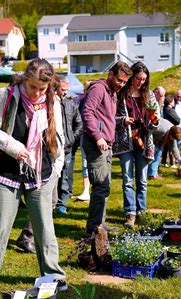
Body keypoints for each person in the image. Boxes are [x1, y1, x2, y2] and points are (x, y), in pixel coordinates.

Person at [0, 58, 67, 295]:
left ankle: (53, 275)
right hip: (7, 172)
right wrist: (14, 147)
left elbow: (60, 140)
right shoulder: (5, 96)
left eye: (42, 89)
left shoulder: (53, 101)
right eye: (33, 87)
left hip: (41, 175)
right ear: (25, 79)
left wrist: (55, 172)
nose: (36, 93)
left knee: (45, 229)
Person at [82, 61, 132, 236]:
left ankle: (100, 225)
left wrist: (119, 122)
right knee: (100, 187)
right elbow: (87, 112)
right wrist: (98, 136)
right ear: (111, 74)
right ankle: (94, 230)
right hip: (96, 145)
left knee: (105, 186)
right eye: (119, 80)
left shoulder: (113, 93)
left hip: (107, 145)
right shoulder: (99, 89)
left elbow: (106, 118)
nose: (121, 84)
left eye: (124, 82)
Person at [113, 61, 159, 228]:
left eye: (144, 79)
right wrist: (123, 120)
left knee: (142, 179)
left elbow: (156, 120)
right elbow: (112, 117)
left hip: (144, 140)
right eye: (139, 78)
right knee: (127, 178)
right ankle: (130, 212)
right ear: (132, 77)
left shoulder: (150, 95)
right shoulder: (121, 95)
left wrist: (154, 121)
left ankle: (142, 210)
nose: (141, 82)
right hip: (126, 140)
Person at [54, 76, 83, 215]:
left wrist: (72, 138)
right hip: (53, 147)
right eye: (62, 89)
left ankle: (62, 203)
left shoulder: (71, 104)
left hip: (68, 147)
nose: (65, 92)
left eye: (66, 90)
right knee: (54, 175)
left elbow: (79, 123)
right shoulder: (51, 104)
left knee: (66, 174)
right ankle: (52, 201)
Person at [161, 95, 181, 168]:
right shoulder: (169, 110)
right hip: (170, 131)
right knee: (173, 147)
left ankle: (164, 162)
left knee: (165, 147)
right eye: (173, 101)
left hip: (165, 130)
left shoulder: (164, 109)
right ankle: (178, 162)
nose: (174, 102)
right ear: (170, 102)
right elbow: (177, 120)